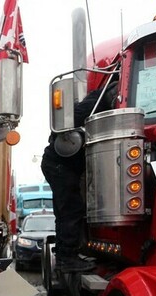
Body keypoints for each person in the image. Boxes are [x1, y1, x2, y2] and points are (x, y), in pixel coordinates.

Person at [40, 80, 118, 272]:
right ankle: (67, 258)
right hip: (60, 164)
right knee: (71, 209)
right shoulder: (92, 106)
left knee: (64, 211)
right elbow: (61, 124)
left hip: (58, 164)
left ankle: (65, 255)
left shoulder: (94, 102)